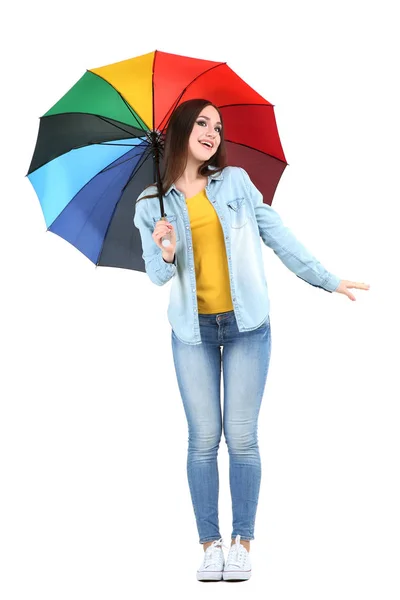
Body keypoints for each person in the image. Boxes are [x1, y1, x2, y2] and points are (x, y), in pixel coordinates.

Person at [133, 98, 370, 582]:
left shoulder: (236, 183)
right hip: (191, 331)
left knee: (241, 438)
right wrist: (164, 248)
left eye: (217, 126)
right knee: (203, 440)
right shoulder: (149, 204)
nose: (212, 132)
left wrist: (328, 279)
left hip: (247, 328)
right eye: (201, 123)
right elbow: (158, 276)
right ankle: (209, 545)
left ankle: (242, 542)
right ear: (180, 129)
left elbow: (277, 235)